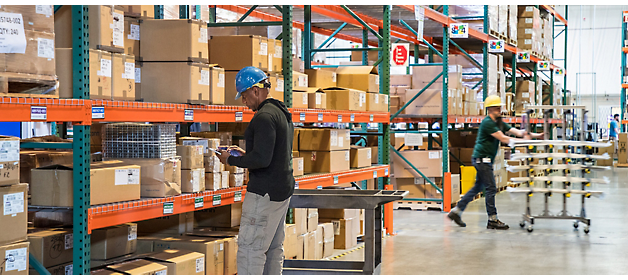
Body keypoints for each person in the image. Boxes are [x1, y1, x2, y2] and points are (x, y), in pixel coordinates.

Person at [216, 66, 294, 275]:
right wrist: (245, 154)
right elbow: (271, 152)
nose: (243, 100)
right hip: (281, 191)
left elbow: (261, 159)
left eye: (244, 95)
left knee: (251, 250)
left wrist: (230, 159)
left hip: (264, 194)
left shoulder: (263, 117)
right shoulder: (280, 112)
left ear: (256, 90)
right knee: (272, 248)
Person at [447, 95, 543, 230]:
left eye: (499, 107)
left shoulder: (498, 122)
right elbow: (504, 138)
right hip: (482, 160)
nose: (500, 109)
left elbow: (516, 132)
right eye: (497, 107)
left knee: (477, 188)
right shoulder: (487, 123)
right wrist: (527, 142)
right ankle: (492, 219)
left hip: (485, 160)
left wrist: (536, 136)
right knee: (491, 188)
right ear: (490, 109)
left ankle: (456, 212)